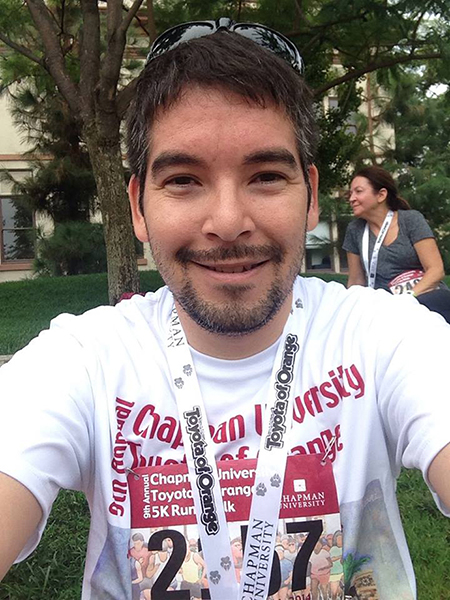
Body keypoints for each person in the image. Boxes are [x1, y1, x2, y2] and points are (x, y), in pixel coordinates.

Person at [0, 16, 449, 600]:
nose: (229, 222)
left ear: (312, 196)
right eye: (183, 180)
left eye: (266, 176)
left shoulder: (386, 337)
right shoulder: (83, 361)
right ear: (137, 207)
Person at [343, 165, 450, 323]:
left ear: (381, 195)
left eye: (358, 191)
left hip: (425, 297)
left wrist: (407, 299)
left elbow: (435, 270)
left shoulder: (410, 220)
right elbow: (356, 282)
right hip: (385, 307)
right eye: (350, 193)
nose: (352, 198)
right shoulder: (355, 230)